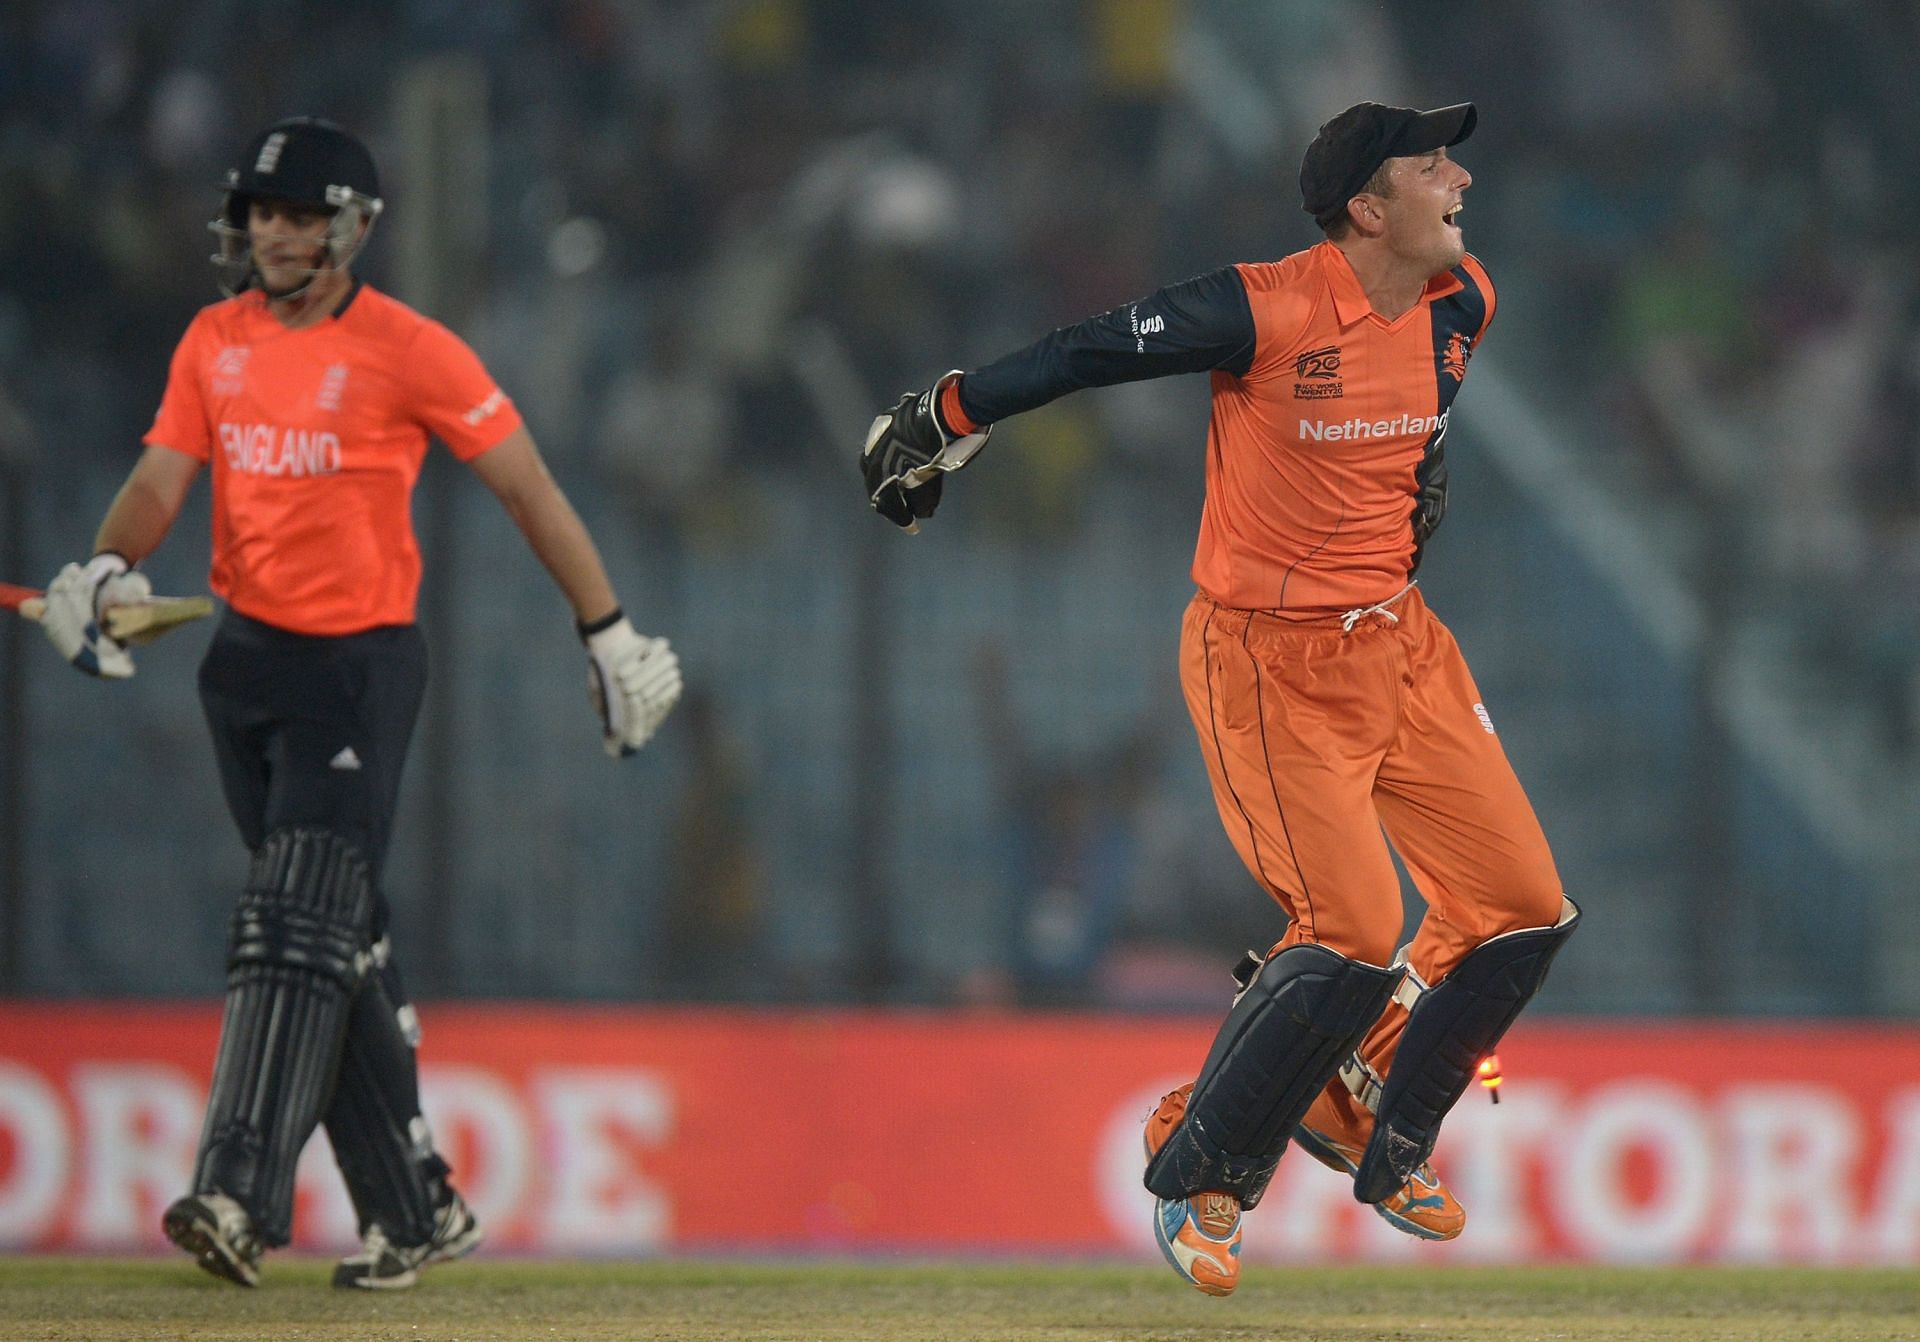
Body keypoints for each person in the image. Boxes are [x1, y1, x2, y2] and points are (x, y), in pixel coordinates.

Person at [860, 101, 1580, 1296]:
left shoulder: (1466, 303)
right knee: (1348, 923)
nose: (1460, 177)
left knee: (1522, 910)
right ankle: (1200, 1166)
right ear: (1367, 206)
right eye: (1431, 163)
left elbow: (1414, 440)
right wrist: (947, 413)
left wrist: (1409, 505)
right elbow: (1095, 346)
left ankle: (1377, 1119)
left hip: (1404, 645)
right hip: (1270, 661)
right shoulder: (1270, 304)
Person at [38, 117, 683, 1290]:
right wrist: (108, 567)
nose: (271, 233)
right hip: (242, 671)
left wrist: (609, 631)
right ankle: (415, 1203)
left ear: (354, 228)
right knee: (336, 942)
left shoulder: (412, 350)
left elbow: (528, 488)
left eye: (298, 215)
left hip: (357, 672)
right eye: (260, 213)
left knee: (290, 927)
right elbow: (154, 480)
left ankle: (238, 1189)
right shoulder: (211, 341)